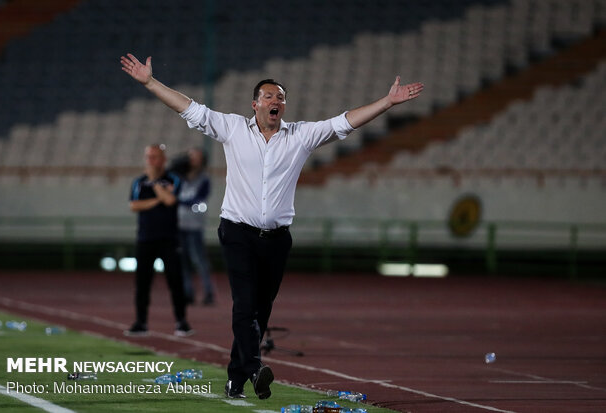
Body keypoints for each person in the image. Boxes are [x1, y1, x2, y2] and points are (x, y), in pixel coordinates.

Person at [121, 53, 423, 399]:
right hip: (237, 231)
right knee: (244, 305)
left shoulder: (301, 136)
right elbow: (189, 108)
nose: (276, 100)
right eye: (269, 96)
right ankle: (254, 368)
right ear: (255, 105)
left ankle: (237, 377)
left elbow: (345, 122)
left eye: (281, 96)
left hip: (277, 239)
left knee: (261, 311)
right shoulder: (233, 128)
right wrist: (149, 83)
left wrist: (387, 101)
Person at [126, 143, 194, 337]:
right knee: (142, 283)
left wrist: (156, 185)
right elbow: (134, 205)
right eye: (149, 157)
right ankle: (141, 322)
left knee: (175, 281)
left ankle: (181, 322)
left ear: (163, 160)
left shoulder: (173, 179)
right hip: (145, 239)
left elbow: (171, 201)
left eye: (155, 157)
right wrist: (158, 198)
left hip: (169, 239)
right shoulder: (138, 182)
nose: (151, 161)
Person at [177, 148, 216, 306]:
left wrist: (182, 202)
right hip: (179, 224)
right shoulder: (179, 177)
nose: (193, 160)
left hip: (194, 225)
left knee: (199, 260)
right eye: (191, 157)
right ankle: (188, 292)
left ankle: (208, 291)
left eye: (196, 157)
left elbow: (199, 198)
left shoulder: (204, 179)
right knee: (183, 260)